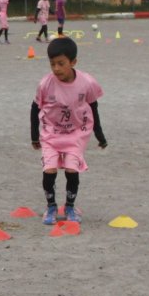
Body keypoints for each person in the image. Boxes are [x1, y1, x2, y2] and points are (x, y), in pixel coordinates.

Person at [30, 37, 107, 226]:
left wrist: (100, 134)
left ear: (73, 62)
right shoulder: (45, 84)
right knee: (49, 170)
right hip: (51, 135)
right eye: (52, 64)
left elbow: (93, 107)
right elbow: (34, 108)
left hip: (75, 135)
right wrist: (34, 136)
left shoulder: (87, 83)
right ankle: (51, 207)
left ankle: (70, 206)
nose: (56, 69)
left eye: (61, 64)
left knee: (72, 170)